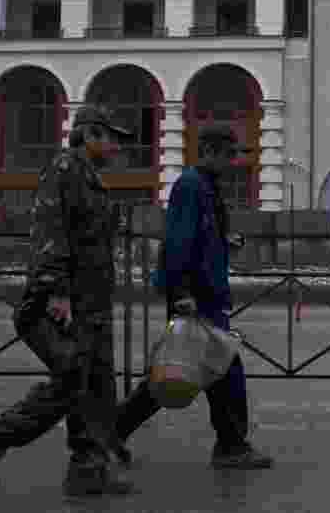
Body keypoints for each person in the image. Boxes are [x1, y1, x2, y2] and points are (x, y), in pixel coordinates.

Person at [0, 106, 136, 497]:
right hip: (68, 299)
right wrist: (56, 291)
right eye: (112, 138)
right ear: (90, 134)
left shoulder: (88, 176)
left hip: (92, 300)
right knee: (74, 378)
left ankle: (88, 468)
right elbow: (51, 229)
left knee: (94, 383)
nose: (117, 147)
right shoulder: (65, 169)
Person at [112, 124, 274, 470]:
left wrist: (223, 241)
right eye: (230, 154)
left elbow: (197, 236)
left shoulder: (207, 186)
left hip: (204, 293)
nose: (234, 162)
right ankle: (230, 445)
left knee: (186, 369)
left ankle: (111, 433)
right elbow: (177, 243)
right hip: (196, 296)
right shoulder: (191, 185)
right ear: (212, 151)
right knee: (207, 368)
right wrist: (182, 293)